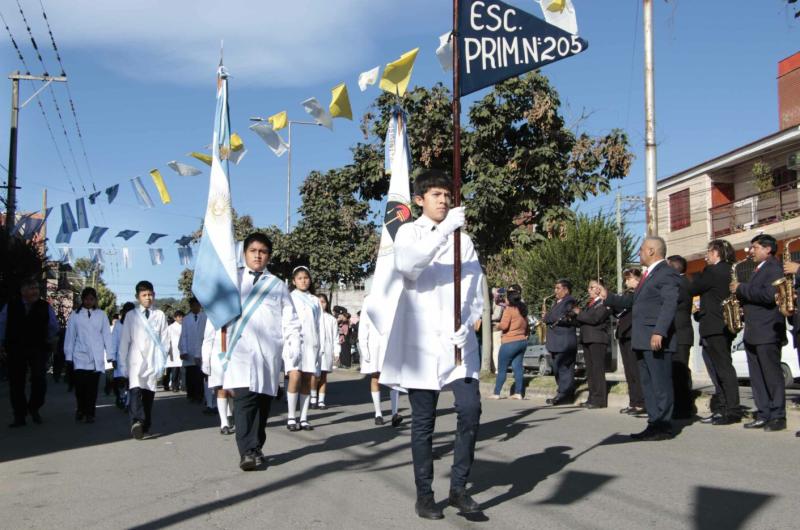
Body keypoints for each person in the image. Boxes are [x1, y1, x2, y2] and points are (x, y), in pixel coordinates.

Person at [379, 170, 484, 519]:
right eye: (436, 194)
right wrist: (444, 231)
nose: (443, 200)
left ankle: (458, 488)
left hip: (459, 344)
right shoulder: (410, 232)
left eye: (447, 194)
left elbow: (474, 286)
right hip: (422, 345)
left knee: (470, 410)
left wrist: (468, 323)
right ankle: (425, 494)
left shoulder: (463, 240)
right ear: (420, 200)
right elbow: (409, 265)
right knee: (424, 423)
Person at [205, 232, 301, 471]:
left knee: (262, 405)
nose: (258, 255)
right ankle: (247, 451)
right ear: (244, 253)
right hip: (239, 353)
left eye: (263, 251)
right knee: (245, 401)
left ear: (268, 255)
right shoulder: (231, 280)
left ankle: (256, 446)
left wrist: (292, 357)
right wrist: (210, 352)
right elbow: (215, 316)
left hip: (268, 355)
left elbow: (290, 323)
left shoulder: (277, 285)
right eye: (253, 251)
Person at [601, 236, 680, 441]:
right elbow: (632, 301)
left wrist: (660, 331)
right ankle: (653, 422)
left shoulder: (666, 273)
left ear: (653, 251)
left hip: (655, 338)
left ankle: (664, 425)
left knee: (660, 384)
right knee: (648, 383)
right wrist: (607, 296)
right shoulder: (649, 275)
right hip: (642, 338)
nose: (639, 253)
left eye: (642, 249)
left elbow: (669, 304)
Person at [730, 234, 786, 432]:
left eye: (754, 247)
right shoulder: (759, 269)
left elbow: (770, 295)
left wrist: (741, 289)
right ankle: (763, 413)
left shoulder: (773, 268)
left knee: (771, 375)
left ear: (767, 249)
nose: (750, 251)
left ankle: (778, 415)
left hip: (768, 329)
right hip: (754, 329)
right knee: (757, 376)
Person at [688, 240, 741, 425]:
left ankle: (730, 409)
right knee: (721, 368)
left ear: (717, 253)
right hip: (723, 325)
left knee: (722, 370)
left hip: (714, 326)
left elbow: (693, 287)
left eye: (709, 252)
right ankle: (724, 408)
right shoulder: (730, 270)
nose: (706, 256)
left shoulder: (712, 271)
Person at [0, 278, 59, 427]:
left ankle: (34, 407)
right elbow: (2, 324)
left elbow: (53, 326)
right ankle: (19, 415)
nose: (35, 291)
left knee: (39, 379)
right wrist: (1, 343)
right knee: (16, 382)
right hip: (15, 348)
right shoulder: (11, 306)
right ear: (23, 290)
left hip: (38, 348)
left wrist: (49, 340)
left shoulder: (45, 307)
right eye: (31, 288)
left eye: (37, 288)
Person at [118, 280, 169, 440]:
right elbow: (125, 340)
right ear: (137, 297)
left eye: (150, 294)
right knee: (135, 391)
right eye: (144, 295)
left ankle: (145, 425)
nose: (148, 298)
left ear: (154, 295)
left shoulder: (159, 315)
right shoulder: (131, 316)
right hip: (135, 360)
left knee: (148, 395)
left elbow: (165, 339)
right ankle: (136, 422)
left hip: (152, 360)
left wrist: (163, 361)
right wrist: (122, 363)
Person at [64, 287, 112, 424]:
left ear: (95, 300)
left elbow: (107, 336)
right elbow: (70, 336)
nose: (89, 301)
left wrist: (109, 354)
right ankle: (80, 408)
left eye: (92, 299)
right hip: (79, 356)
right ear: (82, 299)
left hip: (96, 357)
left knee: (92, 388)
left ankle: (90, 413)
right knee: (80, 387)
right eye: (86, 299)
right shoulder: (75, 315)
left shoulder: (101, 315)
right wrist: (68, 356)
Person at [284, 266, 322, 431]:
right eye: (299, 278)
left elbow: (319, 324)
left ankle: (304, 417)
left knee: (308, 379)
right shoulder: (289, 298)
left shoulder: (315, 300)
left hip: (311, 344)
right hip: (294, 344)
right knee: (295, 376)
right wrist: (289, 342)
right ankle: (291, 417)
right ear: (294, 281)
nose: (303, 280)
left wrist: (319, 346)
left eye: (306, 277)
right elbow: (285, 322)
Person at [359, 295, 403, 425]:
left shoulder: (395, 297)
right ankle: (378, 413)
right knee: (375, 377)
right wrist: (363, 346)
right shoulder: (369, 299)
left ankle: (394, 413)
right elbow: (364, 324)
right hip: (375, 343)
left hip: (391, 342)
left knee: (393, 378)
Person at [571, 279, 612, 409]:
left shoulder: (604, 303)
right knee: (590, 371)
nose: (589, 290)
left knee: (597, 370)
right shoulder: (590, 304)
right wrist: (572, 316)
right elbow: (583, 321)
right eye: (589, 287)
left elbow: (595, 319)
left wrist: (579, 313)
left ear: (599, 289)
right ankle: (592, 397)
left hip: (597, 339)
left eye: (591, 287)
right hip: (587, 339)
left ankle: (600, 399)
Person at [666, 255, 696, 419]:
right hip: (677, 333)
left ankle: (684, 408)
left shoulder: (681, 283)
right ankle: (680, 406)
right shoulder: (680, 282)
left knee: (681, 372)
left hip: (681, 333)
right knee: (676, 372)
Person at [488, 285, 529, 400]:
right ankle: (518, 393)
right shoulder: (523, 309)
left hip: (510, 342)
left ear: (509, 298)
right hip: (522, 341)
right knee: (518, 368)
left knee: (502, 369)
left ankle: (496, 393)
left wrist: (497, 325)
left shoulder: (509, 310)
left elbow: (505, 325)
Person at [615, 269, 646, 415]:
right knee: (629, 371)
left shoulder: (638, 294)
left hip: (634, 334)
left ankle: (641, 402)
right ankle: (633, 401)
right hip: (624, 334)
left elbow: (628, 305)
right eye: (625, 279)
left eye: (629, 279)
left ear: (637, 279)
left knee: (635, 370)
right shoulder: (627, 295)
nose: (626, 282)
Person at [542, 279, 578, 405]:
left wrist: (547, 317)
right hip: (555, 342)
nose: (555, 291)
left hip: (564, 341)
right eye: (555, 288)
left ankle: (564, 395)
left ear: (566, 290)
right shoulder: (557, 302)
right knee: (557, 369)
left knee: (564, 369)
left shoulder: (569, 301)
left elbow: (565, 317)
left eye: (558, 288)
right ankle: (563, 392)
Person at [201, 306, 236, 436]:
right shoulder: (212, 317)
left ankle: (230, 414)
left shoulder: (237, 313)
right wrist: (206, 360)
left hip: (234, 356)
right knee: (221, 388)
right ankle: (224, 423)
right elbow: (208, 339)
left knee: (232, 390)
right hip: (217, 356)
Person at [179, 297, 207, 405]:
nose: (196, 307)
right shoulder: (186, 319)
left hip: (201, 349)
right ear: (191, 307)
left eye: (198, 305)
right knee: (191, 375)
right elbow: (184, 336)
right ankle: (191, 395)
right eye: (194, 305)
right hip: (189, 351)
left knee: (200, 375)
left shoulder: (205, 317)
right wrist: (184, 350)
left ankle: (200, 395)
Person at [109, 302, 136, 410]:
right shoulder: (118, 325)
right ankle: (121, 397)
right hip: (120, 358)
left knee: (131, 382)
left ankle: (128, 402)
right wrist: (113, 358)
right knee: (120, 382)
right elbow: (114, 342)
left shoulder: (137, 324)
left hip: (134, 358)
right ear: (124, 312)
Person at [315, 293, 338, 410]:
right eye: (319, 302)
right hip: (315, 350)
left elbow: (335, 337)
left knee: (323, 376)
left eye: (323, 302)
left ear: (327, 304)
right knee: (314, 375)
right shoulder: (312, 317)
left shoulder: (332, 319)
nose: (321, 304)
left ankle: (321, 400)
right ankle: (313, 396)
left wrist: (336, 352)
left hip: (327, 350)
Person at [164, 311, 184, 393]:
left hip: (182, 351)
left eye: (182, 316)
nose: (181, 318)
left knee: (181, 370)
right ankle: (174, 386)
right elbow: (167, 339)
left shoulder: (185, 326)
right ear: (175, 318)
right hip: (173, 351)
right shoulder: (170, 327)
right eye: (179, 317)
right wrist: (167, 350)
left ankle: (182, 385)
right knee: (174, 370)